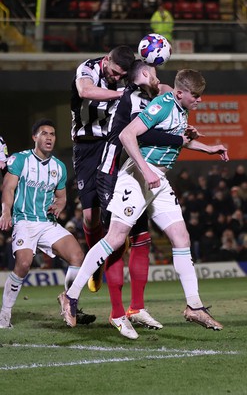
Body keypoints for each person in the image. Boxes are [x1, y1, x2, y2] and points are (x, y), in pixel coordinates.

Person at [58, 69, 228, 336]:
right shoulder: (162, 104)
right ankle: (71, 295)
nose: (199, 101)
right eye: (196, 96)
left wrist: (209, 148)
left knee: (181, 237)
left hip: (158, 179)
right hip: (138, 176)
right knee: (115, 239)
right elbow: (128, 135)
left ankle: (194, 305)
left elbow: (177, 142)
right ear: (180, 93)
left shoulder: (182, 110)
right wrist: (146, 171)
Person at [96, 60, 195, 338]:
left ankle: (135, 308)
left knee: (141, 240)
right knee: (116, 241)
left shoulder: (156, 98)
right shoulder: (130, 95)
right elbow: (136, 134)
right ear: (141, 73)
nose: (157, 78)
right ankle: (115, 312)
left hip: (139, 172)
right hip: (115, 171)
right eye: (152, 71)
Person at [0, 119, 95, 328]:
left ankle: (70, 302)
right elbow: (8, 188)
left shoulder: (59, 167)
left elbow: (61, 197)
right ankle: (4, 315)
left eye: (52, 134)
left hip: (47, 223)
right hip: (24, 220)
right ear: (35, 137)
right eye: (44, 133)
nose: (49, 137)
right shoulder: (20, 160)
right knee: (23, 264)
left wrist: (60, 205)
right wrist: (5, 211)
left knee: (77, 256)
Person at [71, 45, 135, 292]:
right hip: (85, 146)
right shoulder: (88, 68)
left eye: (122, 75)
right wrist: (121, 95)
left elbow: (153, 86)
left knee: (114, 209)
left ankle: (112, 248)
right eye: (115, 72)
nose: (117, 78)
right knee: (89, 217)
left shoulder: (127, 76)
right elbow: (84, 90)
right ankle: (96, 262)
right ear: (106, 60)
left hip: (112, 144)